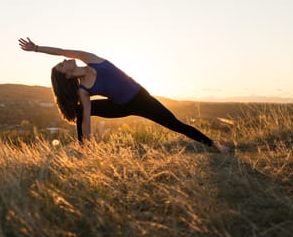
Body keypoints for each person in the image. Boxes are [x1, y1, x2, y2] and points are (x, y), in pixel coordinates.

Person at [18, 37, 228, 152]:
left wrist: (36, 48)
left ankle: (215, 145)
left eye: (63, 61)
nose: (65, 60)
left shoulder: (88, 58)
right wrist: (87, 144)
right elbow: (86, 124)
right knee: (81, 112)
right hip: (119, 106)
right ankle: (85, 152)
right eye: (62, 65)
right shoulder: (83, 91)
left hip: (141, 98)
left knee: (174, 124)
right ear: (67, 76)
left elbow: (61, 50)